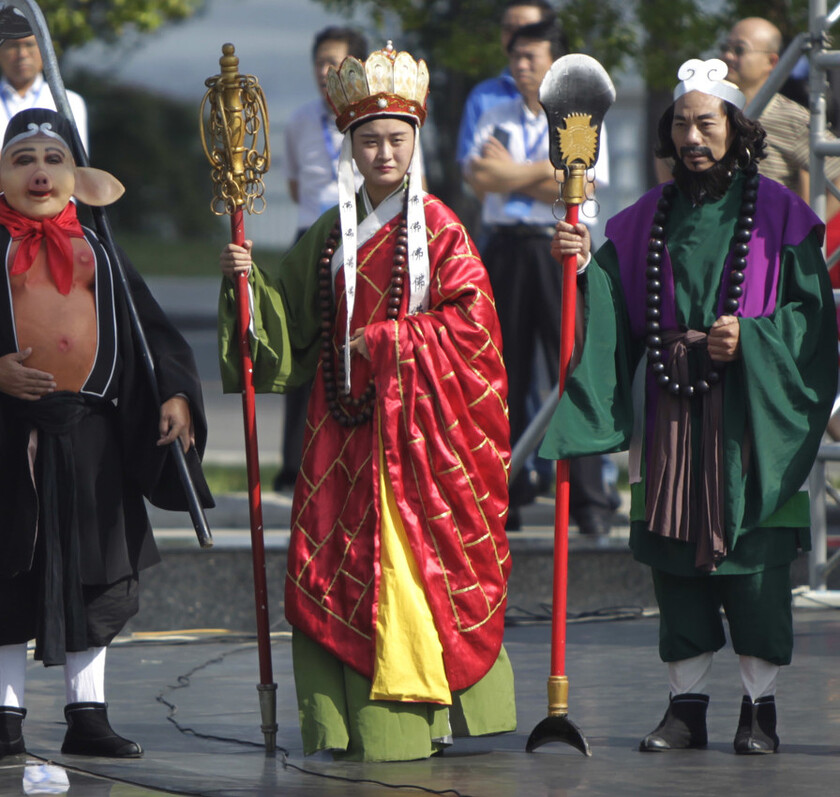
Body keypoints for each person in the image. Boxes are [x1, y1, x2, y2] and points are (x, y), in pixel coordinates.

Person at [219, 45, 515, 762]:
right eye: (369, 140)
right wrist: (245, 284)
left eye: (396, 138)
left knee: (413, 566)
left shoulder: (441, 227)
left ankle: (416, 716)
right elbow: (289, 311)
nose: (383, 151)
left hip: (421, 442)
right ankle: (339, 719)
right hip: (340, 429)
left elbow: (475, 324)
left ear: (416, 142)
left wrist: (393, 339)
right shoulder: (330, 232)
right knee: (334, 565)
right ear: (349, 145)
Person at [543, 59, 837, 755]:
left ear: (737, 130)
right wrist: (586, 264)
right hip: (669, 411)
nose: (693, 137)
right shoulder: (641, 218)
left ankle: (758, 710)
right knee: (673, 563)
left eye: (707, 123)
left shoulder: (785, 218)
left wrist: (756, 338)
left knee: (759, 566)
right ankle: (685, 706)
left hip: (751, 420)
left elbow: (813, 320)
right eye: (681, 124)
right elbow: (615, 305)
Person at [0, 108, 211, 762]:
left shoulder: (103, 252)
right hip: (3, 439)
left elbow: (150, 333)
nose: (40, 171)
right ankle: (4, 719)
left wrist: (174, 392)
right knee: (1, 576)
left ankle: (89, 714)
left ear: (78, 177)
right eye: (23, 158)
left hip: (92, 436)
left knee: (96, 575)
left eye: (54, 159)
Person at [464, 17, 616, 535]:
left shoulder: (578, 115)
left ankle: (591, 501)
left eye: (532, 57)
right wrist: (550, 175)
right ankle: (500, 495)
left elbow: (585, 185)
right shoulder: (492, 109)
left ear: (554, 63)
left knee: (572, 368)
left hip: (562, 248)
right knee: (503, 374)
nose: (521, 66)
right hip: (505, 249)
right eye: (515, 57)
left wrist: (516, 173)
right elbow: (482, 180)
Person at [274, 24, 367, 494]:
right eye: (319, 62)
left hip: (363, 238)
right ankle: (293, 466)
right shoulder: (299, 121)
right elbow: (295, 185)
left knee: (356, 350)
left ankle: (352, 454)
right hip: (310, 236)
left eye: (335, 62)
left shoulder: (376, 118)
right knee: (302, 347)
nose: (324, 72)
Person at [0, 35, 89, 223]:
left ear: (45, 49)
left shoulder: (69, 101)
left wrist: (11, 161)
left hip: (57, 226)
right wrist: (48, 159)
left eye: (30, 45)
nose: (22, 54)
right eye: (13, 46)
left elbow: (75, 163)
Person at [720, 16, 840, 216]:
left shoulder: (790, 116)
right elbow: (664, 155)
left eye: (739, 49)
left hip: (762, 242)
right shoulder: (706, 107)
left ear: (771, 61)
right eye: (725, 47)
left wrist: (808, 232)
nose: (728, 56)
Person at [455, 0, 555, 166]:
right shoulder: (483, 96)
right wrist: (546, 171)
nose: (515, 37)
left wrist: (506, 174)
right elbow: (475, 176)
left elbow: (581, 182)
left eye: (527, 28)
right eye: (508, 29)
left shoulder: (570, 101)